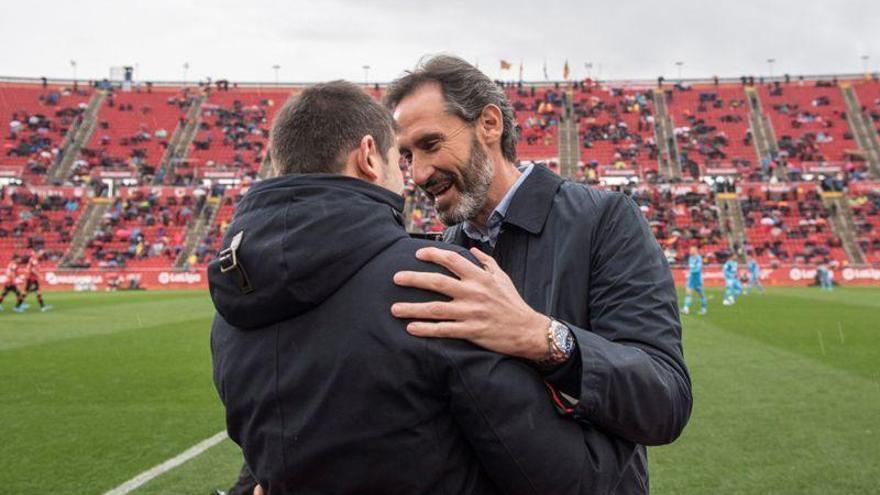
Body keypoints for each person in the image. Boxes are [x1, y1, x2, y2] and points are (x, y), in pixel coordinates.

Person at [209, 81, 630, 494]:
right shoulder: (430, 279)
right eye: (402, 156)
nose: (412, 175)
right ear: (369, 156)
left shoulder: (230, 313)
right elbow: (572, 479)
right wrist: (623, 414)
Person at [385, 55, 691, 493]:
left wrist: (543, 337)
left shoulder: (605, 220)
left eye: (430, 145)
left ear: (489, 124)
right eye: (406, 156)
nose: (418, 173)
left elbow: (665, 402)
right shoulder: (437, 257)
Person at [682, 246, 707, 315]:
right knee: (688, 293)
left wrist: (691, 274)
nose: (690, 251)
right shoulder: (690, 258)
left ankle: (703, 309)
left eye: (691, 250)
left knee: (701, 294)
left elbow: (698, 269)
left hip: (697, 278)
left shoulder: (698, 258)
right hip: (692, 278)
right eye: (690, 250)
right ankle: (686, 309)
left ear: (696, 250)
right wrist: (689, 278)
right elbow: (691, 269)